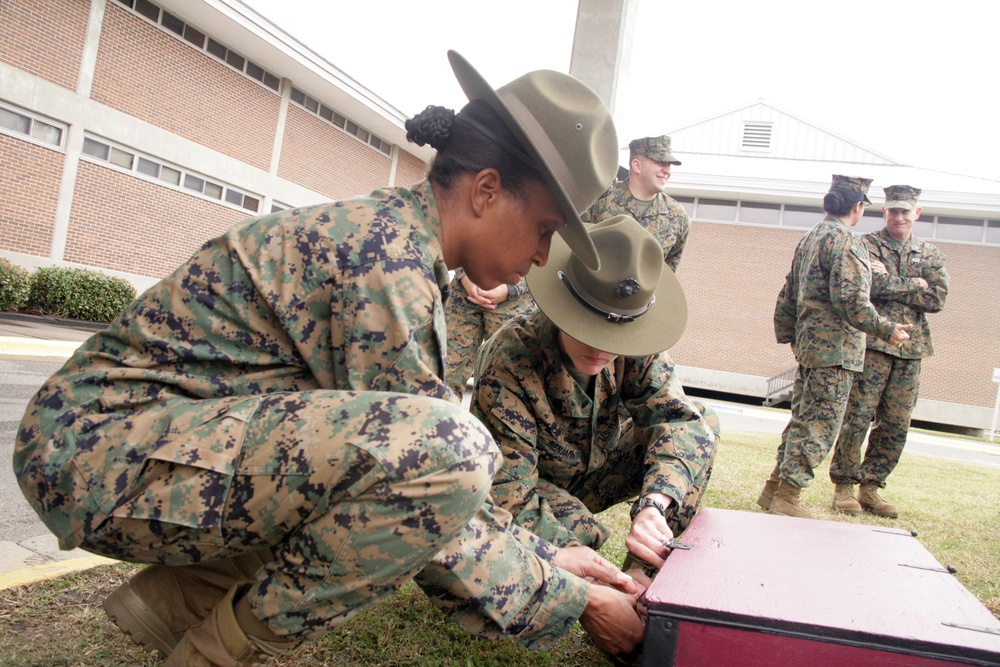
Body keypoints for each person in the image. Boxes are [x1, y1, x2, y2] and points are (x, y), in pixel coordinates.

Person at [13, 50, 647, 665]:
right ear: (485, 190)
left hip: (117, 443)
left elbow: (410, 482)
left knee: (408, 458)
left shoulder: (393, 242)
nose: (542, 257)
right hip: (90, 456)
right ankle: (207, 654)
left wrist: (546, 556)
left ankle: (175, 603)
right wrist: (574, 599)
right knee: (456, 451)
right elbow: (434, 487)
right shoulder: (383, 264)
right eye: (543, 229)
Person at [471, 215, 719, 578]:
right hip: (536, 482)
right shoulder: (509, 361)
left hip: (597, 471)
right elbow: (508, 493)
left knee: (702, 427)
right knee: (577, 537)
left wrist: (654, 504)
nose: (605, 349)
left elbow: (679, 422)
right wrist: (591, 576)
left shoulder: (635, 340)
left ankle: (646, 575)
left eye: (617, 338)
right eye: (591, 328)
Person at [759, 175, 913, 519]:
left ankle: (774, 490)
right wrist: (887, 329)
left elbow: (788, 292)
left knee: (802, 419)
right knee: (820, 424)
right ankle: (788, 497)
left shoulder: (811, 236)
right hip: (837, 350)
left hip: (811, 346)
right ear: (858, 207)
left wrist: (790, 335)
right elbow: (853, 301)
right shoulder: (848, 242)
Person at [830, 185, 948, 518]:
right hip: (873, 345)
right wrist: (915, 283)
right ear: (884, 212)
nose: (898, 217)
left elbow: (937, 298)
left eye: (905, 212)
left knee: (895, 424)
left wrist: (893, 281)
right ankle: (844, 486)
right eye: (892, 210)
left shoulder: (930, 254)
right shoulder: (866, 244)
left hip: (911, 350)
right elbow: (869, 287)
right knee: (858, 417)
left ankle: (871, 487)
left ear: (917, 214)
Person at [582, 135, 689, 271]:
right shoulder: (600, 199)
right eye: (661, 162)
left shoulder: (678, 217)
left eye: (669, 165)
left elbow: (667, 276)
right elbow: (575, 247)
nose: (667, 171)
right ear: (637, 165)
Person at [443, 267, 535, 400]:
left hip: (514, 302)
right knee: (445, 377)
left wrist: (510, 287)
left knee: (506, 387)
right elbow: (453, 246)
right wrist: (465, 275)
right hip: (463, 296)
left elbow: (551, 253)